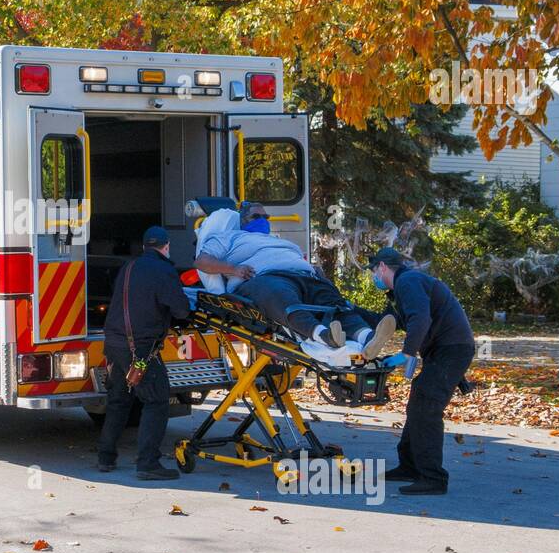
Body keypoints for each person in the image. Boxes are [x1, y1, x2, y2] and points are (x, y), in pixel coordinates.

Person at [194, 204, 395, 359]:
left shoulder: (278, 240)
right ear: (242, 220)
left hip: (304, 277)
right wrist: (234, 269)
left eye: (266, 217)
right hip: (264, 278)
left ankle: (368, 337)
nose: (263, 219)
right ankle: (324, 336)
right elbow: (202, 261)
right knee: (286, 301)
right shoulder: (229, 238)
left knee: (335, 303)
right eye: (257, 216)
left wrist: (317, 273)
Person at [368, 247, 475, 496]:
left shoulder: (408, 281)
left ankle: (433, 478)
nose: (373, 277)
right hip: (444, 350)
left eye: (373, 271)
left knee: (426, 407)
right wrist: (349, 310)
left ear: (382, 267)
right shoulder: (403, 288)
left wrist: (406, 354)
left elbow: (421, 319)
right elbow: (385, 321)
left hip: (451, 350)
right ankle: (409, 466)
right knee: (419, 402)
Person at [98, 225, 191, 480]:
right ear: (166, 246)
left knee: (119, 400)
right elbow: (181, 309)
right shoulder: (164, 270)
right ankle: (148, 463)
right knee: (156, 401)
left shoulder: (128, 267)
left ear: (143, 246)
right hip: (140, 349)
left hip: (114, 344)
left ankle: (105, 457)